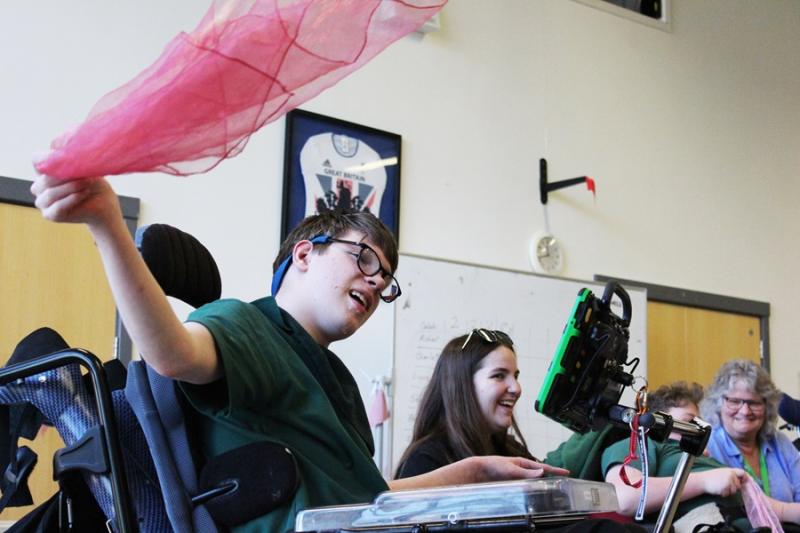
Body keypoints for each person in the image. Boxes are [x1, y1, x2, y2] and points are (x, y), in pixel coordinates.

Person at [31, 175, 565, 532]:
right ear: (305, 253)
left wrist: (474, 472)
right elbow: (172, 353)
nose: (377, 285)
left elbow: (369, 497)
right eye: (364, 261)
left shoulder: (334, 378)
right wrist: (106, 222)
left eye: (387, 281)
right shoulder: (248, 325)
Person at [601, 381, 750, 527]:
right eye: (689, 421)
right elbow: (625, 497)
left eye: (699, 423)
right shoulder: (642, 444)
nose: (699, 431)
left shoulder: (703, 457)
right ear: (655, 424)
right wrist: (704, 481)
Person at [394, 329, 536, 478]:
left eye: (515, 376)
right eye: (499, 376)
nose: (517, 388)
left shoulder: (510, 450)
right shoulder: (425, 461)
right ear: (462, 385)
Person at [702, 359, 800, 523]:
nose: (745, 411)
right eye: (734, 401)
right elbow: (735, 508)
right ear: (718, 403)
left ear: (767, 406)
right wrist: (789, 512)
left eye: (754, 403)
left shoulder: (779, 441)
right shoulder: (707, 445)